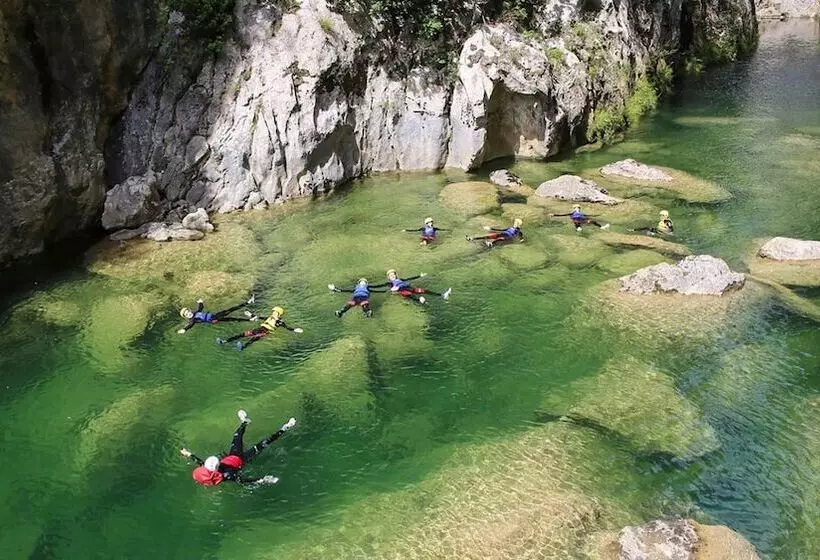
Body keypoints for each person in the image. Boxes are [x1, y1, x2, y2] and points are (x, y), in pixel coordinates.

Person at [180, 410, 296, 486]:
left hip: (233, 455)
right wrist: (263, 480)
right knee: (265, 442)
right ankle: (285, 428)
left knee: (237, 435)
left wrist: (188, 454)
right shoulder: (227, 475)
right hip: (243, 459)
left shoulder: (210, 472)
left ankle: (245, 422)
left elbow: (200, 462)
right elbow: (244, 481)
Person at [216, 306, 303, 351]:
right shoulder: (270, 317)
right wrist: (250, 315)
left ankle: (243, 347)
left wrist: (294, 330)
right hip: (259, 329)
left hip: (265, 332)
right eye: (273, 311)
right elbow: (259, 317)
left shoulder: (279, 322)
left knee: (253, 339)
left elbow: (287, 327)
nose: (273, 312)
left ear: (278, 314)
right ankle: (224, 341)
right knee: (242, 334)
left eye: (274, 312)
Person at [178, 295, 257, 334]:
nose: (189, 314)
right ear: (186, 317)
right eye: (187, 314)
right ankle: (249, 308)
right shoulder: (193, 320)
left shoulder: (195, 313)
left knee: (231, 314)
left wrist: (201, 302)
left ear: (190, 310)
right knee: (232, 315)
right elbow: (190, 325)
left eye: (188, 312)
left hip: (215, 316)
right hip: (215, 319)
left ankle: (249, 313)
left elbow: (200, 308)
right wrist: (184, 329)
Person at [370, 269, 451, 304]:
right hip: (403, 292)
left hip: (409, 288)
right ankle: (419, 300)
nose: (393, 276)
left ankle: (442, 295)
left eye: (393, 274)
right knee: (410, 295)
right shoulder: (389, 283)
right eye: (391, 275)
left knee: (424, 290)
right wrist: (369, 287)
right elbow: (378, 286)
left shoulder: (400, 279)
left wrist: (419, 275)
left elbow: (409, 278)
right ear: (389, 277)